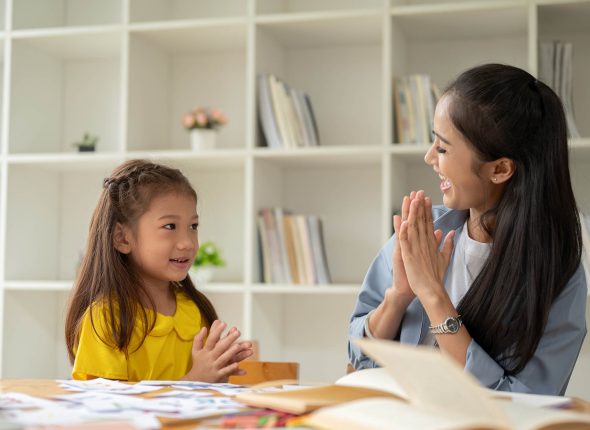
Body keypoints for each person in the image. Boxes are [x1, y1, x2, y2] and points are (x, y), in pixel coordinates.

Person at [348, 64, 587, 395]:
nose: (429, 157)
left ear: (500, 169)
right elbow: (358, 359)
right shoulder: (424, 231)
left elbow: (522, 401)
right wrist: (399, 296)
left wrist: (433, 295)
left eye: (443, 148)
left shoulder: (557, 273)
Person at [65, 159, 253, 381]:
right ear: (122, 237)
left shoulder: (194, 311)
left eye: (193, 226)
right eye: (170, 226)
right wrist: (196, 380)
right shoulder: (106, 319)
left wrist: (220, 371)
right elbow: (106, 408)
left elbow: (203, 395)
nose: (188, 243)